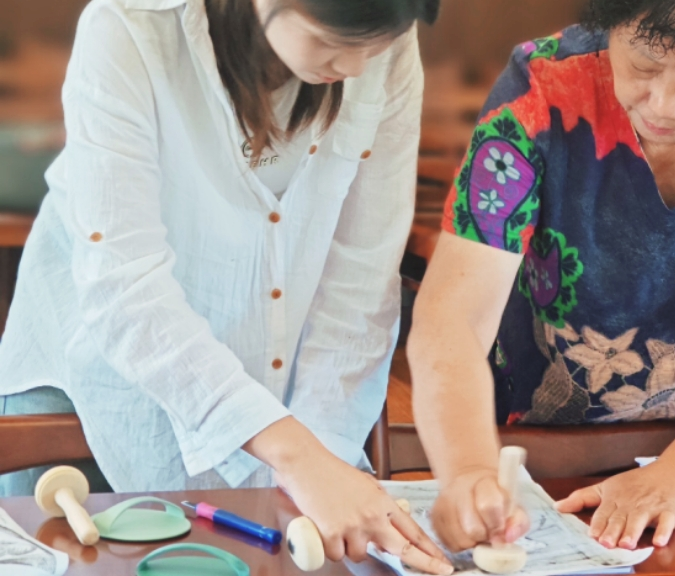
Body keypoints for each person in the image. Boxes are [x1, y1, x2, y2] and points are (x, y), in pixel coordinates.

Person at [0, 0, 452, 571]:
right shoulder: (129, 28)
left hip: (283, 400)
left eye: (378, 45)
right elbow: (126, 290)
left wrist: (323, 456)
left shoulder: (381, 39)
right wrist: (300, 458)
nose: (358, 68)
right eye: (330, 40)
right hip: (99, 389)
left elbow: (361, 278)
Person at [409, 0, 675, 553]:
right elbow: (453, 314)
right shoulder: (543, 85)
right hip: (522, 431)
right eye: (642, 65)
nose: (662, 104)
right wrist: (468, 471)